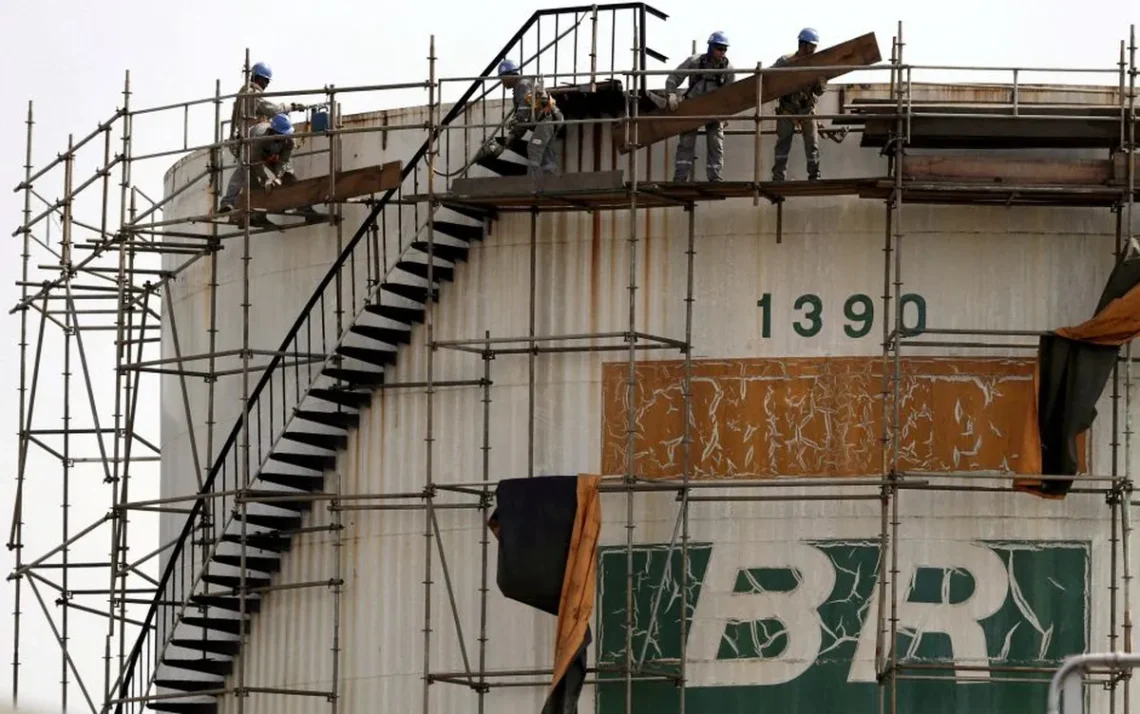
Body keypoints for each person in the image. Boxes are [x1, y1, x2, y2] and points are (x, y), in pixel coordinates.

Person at [664, 32, 735, 182]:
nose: (722, 52)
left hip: (714, 109)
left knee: (715, 142)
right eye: (719, 48)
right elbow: (673, 78)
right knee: (686, 142)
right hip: (693, 106)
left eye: (724, 49)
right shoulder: (695, 62)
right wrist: (671, 94)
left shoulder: (727, 68)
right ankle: (680, 178)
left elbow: (731, 93)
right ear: (710, 47)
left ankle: (715, 177)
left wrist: (727, 112)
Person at [771, 28, 826, 182]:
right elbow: (770, 80)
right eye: (811, 46)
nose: (813, 50)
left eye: (814, 47)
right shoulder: (785, 61)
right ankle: (778, 177)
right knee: (783, 145)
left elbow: (819, 91)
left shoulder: (814, 64)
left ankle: (814, 175)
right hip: (787, 109)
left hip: (806, 108)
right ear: (803, 45)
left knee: (812, 144)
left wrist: (821, 78)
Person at [497, 59, 564, 183]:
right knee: (544, 152)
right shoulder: (521, 86)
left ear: (510, 75)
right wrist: (515, 132)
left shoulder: (522, 85)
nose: (502, 82)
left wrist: (513, 134)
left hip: (547, 119)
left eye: (502, 78)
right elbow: (524, 116)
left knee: (534, 148)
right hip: (551, 118)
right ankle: (553, 180)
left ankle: (533, 183)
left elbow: (524, 115)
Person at [218, 113, 297, 216]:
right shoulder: (260, 137)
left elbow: (284, 161)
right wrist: (265, 178)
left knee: (289, 175)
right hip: (252, 149)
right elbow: (255, 160)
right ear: (273, 131)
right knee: (245, 170)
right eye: (281, 134)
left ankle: (302, 205)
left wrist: (278, 176)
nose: (284, 137)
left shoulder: (290, 141)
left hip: (272, 154)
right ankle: (228, 202)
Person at [229, 62, 306, 160]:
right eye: (266, 80)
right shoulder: (253, 93)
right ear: (258, 78)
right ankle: (281, 158)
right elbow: (273, 110)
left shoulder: (243, 92)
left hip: (244, 134)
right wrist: (292, 106)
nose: (267, 84)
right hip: (252, 134)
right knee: (282, 125)